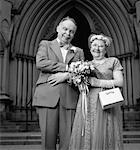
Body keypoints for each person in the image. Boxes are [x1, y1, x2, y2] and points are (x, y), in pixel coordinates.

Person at [32, 16, 84, 150]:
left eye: (71, 31)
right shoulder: (46, 44)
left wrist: (66, 75)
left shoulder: (78, 51)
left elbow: (82, 74)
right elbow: (41, 63)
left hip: (70, 98)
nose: (68, 33)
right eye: (65, 29)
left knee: (68, 142)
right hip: (47, 97)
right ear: (57, 29)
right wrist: (67, 68)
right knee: (48, 141)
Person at [69, 33, 124, 150]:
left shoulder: (113, 61)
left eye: (100, 46)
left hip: (107, 100)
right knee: (90, 129)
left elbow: (120, 82)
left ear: (105, 49)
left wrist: (98, 83)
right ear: (90, 48)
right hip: (89, 102)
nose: (97, 48)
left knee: (106, 130)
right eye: (94, 45)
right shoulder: (85, 65)